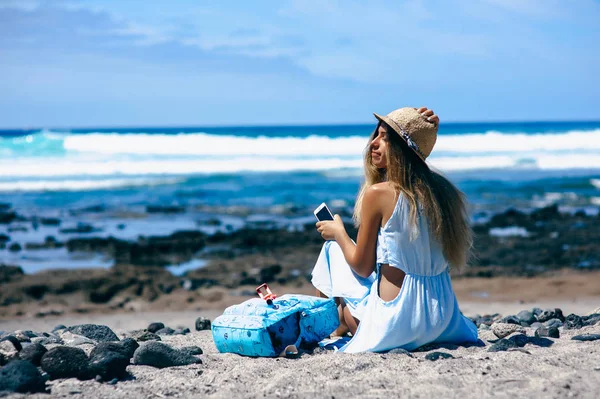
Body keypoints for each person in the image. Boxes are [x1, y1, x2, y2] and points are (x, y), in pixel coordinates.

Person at [311, 106, 478, 353]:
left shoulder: (378, 194)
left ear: (404, 149)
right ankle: (340, 321)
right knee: (358, 292)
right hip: (442, 320)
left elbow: (362, 265)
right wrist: (424, 133)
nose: (374, 144)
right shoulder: (444, 192)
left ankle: (317, 329)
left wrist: (339, 233)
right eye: (375, 136)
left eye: (385, 139)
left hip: (397, 325)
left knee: (332, 250)